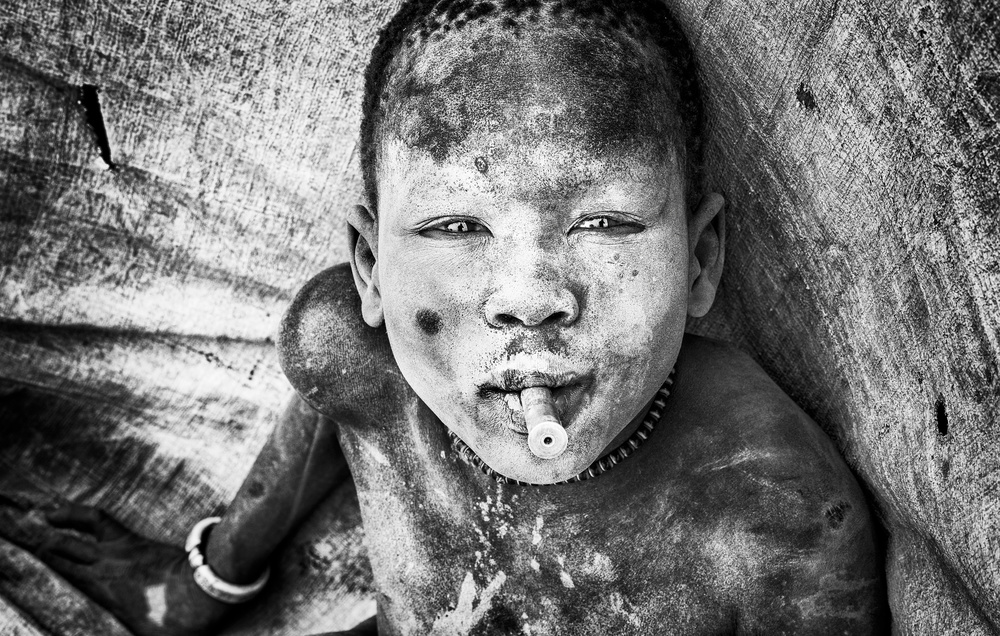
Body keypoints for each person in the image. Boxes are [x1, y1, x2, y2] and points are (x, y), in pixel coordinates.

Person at [2, 0, 885, 633]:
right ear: (371, 268)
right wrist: (201, 585)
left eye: (605, 223)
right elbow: (307, 445)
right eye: (457, 226)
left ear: (699, 261)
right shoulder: (352, 351)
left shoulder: (774, 511)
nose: (529, 297)